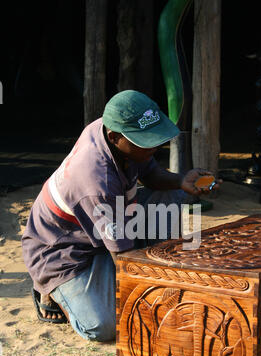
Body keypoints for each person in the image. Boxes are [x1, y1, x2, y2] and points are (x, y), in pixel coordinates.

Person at [22, 90, 218, 341]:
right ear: (115, 138)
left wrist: (181, 180)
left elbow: (152, 175)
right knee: (104, 326)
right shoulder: (96, 180)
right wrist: (157, 300)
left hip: (106, 224)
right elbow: (123, 258)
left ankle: (136, 266)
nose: (156, 145)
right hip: (63, 252)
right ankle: (49, 289)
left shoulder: (115, 133)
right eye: (146, 140)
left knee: (172, 195)